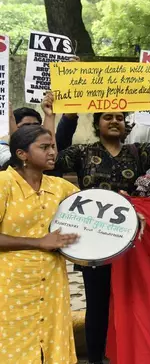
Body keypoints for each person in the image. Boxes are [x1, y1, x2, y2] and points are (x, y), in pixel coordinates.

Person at [49, 86, 150, 364]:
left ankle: (126, 355)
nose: (114, 120)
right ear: (97, 123)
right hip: (93, 245)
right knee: (97, 305)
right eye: (107, 117)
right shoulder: (82, 152)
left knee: (129, 304)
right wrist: (64, 116)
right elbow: (53, 159)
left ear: (126, 124)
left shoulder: (137, 152)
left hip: (131, 244)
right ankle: (95, 358)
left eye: (119, 117)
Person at [0, 125, 81, 363]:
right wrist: (39, 242)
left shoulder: (59, 186)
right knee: (13, 345)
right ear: (21, 154)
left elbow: (94, 212)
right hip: (11, 284)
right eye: (44, 147)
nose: (52, 152)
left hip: (52, 282)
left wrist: (129, 212)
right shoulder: (5, 183)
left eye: (53, 146)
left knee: (53, 344)